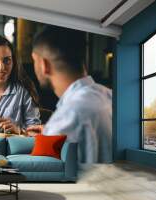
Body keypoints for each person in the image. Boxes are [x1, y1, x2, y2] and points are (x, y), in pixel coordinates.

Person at [27, 27, 112, 163]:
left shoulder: (66, 118)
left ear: (44, 64)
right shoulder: (110, 96)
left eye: (34, 61)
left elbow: (43, 173)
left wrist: (52, 133)